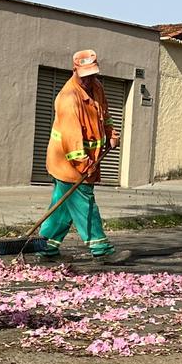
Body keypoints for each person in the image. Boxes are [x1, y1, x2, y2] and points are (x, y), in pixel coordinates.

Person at [36, 49, 130, 264]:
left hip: (84, 159)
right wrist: (84, 164)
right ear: (75, 71)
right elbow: (72, 139)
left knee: (62, 205)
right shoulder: (69, 98)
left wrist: (111, 134)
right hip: (68, 161)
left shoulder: (96, 87)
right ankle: (101, 249)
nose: (89, 79)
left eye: (92, 74)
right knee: (84, 202)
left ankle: (46, 247)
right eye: (85, 75)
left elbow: (104, 114)